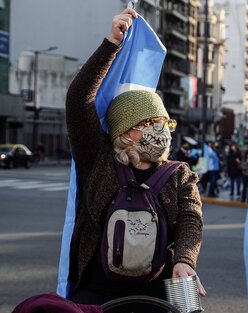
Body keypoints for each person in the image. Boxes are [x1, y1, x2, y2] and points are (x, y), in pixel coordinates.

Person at [65, 8, 206, 311]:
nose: (160, 130)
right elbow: (79, 100)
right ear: (124, 132)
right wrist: (111, 44)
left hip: (159, 295)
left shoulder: (179, 174)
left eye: (163, 123)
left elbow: (190, 222)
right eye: (148, 123)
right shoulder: (99, 160)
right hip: (96, 295)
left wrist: (184, 261)